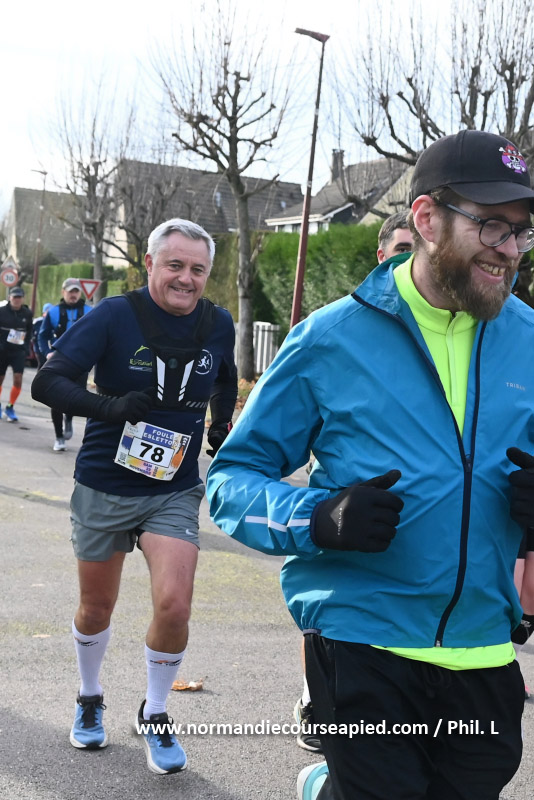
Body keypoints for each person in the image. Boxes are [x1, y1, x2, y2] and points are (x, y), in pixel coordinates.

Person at [207, 130, 534, 800]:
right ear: (426, 219)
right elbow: (230, 481)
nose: (510, 249)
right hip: (362, 640)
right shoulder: (330, 339)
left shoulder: (530, 339)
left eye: (522, 231)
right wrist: (318, 518)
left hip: (483, 643)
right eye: (492, 225)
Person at [32, 218, 237, 775]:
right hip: (106, 482)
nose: (186, 278)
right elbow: (47, 381)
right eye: (175, 265)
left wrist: (220, 423)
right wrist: (108, 408)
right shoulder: (113, 315)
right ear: (149, 264)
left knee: (175, 603)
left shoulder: (218, 323)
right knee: (97, 607)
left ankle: (156, 710)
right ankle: (89, 695)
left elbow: (225, 377)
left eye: (197, 269)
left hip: (173, 489)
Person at [294, 209, 415, 755]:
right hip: (347, 515)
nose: (413, 258)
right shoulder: (337, 329)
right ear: (381, 254)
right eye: (402, 248)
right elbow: (240, 471)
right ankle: (314, 695)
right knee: (325, 605)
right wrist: (320, 516)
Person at [38, 278, 93, 451]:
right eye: (70, 292)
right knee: (56, 398)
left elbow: (98, 336)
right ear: (63, 292)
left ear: (80, 293)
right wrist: (47, 352)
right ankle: (59, 437)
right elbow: (43, 335)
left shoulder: (90, 311)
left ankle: (69, 417)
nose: (73, 295)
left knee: (75, 397)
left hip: (81, 361)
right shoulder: (54, 312)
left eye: (76, 291)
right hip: (59, 361)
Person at [0, 285, 33, 422]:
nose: (17, 300)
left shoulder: (27, 313)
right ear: (10, 298)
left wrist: (25, 348)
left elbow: (29, 331)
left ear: (23, 299)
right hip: (2, 351)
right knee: (0, 379)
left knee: (18, 378)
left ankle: (10, 406)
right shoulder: (2, 311)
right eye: (14, 297)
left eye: (19, 297)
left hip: (18, 351)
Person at [32, 302, 53, 369]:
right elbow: (31, 331)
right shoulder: (38, 321)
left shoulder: (53, 321)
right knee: (42, 364)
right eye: (47, 312)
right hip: (38, 347)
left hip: (50, 348)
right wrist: (33, 338)